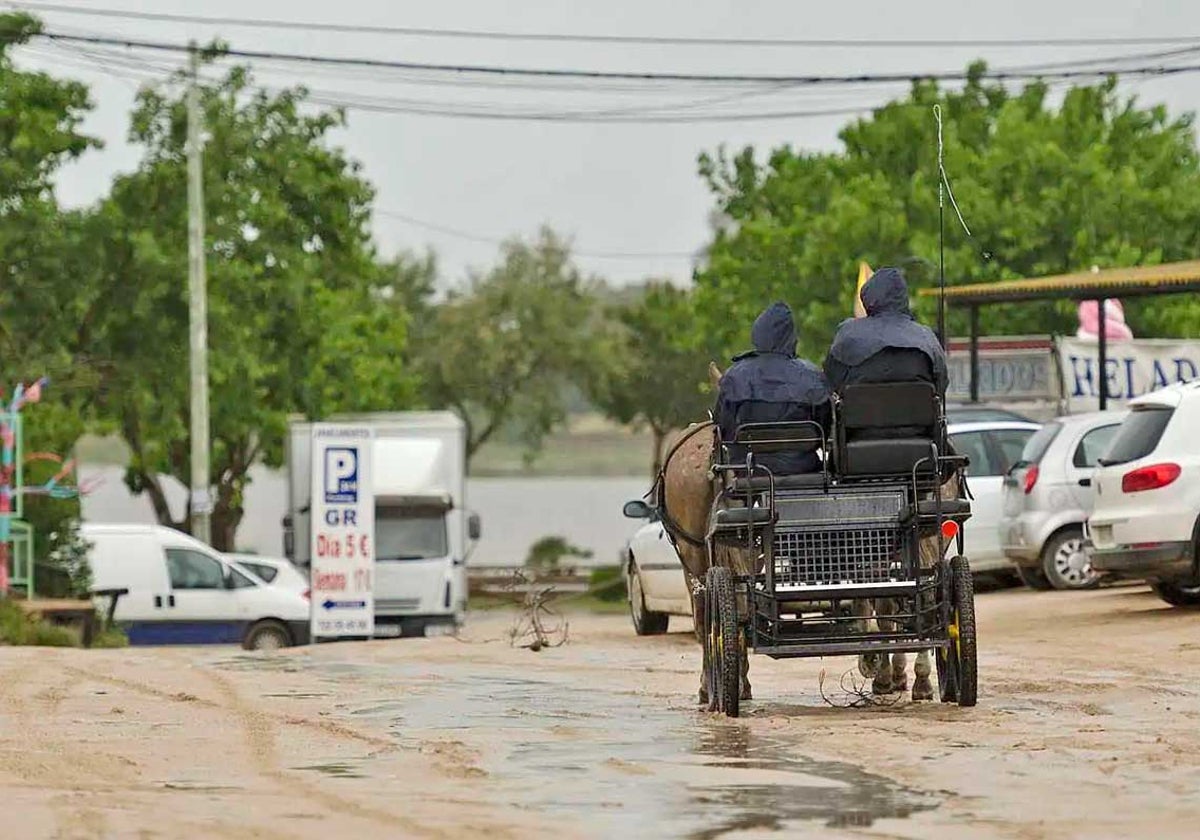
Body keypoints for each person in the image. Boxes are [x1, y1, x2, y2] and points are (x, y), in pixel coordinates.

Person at [713, 301, 832, 475]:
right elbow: (823, 428)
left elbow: (722, 428)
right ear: (792, 336)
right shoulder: (811, 376)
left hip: (749, 470)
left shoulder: (735, 376)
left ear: (757, 333)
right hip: (802, 470)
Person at [824, 265, 948, 397]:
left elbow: (831, 380)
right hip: (918, 416)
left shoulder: (847, 333)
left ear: (868, 296)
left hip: (861, 416)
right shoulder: (925, 337)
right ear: (903, 297)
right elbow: (941, 383)